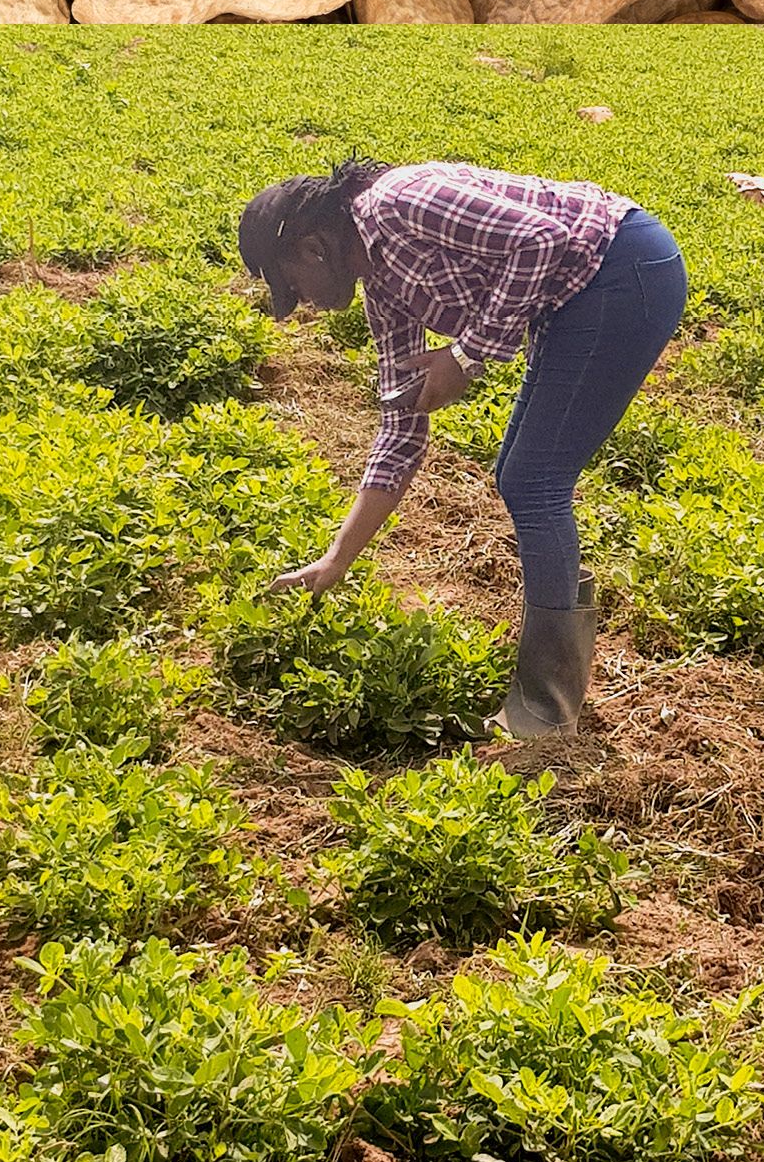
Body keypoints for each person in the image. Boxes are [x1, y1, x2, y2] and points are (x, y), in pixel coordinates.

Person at [238, 157, 687, 737]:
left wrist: (466, 355)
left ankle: (547, 710)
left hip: (623, 268)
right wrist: (336, 559)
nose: (301, 302)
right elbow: (401, 426)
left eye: (292, 284)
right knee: (519, 474)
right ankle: (554, 676)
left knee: (534, 479)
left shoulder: (401, 205)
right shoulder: (384, 291)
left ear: (313, 249)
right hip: (574, 297)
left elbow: (542, 239)